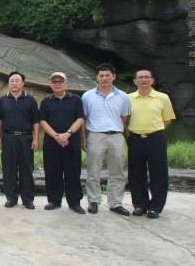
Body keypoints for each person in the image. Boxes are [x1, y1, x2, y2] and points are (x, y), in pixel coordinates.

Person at [80, 63, 131, 216]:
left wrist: (127, 139)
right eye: (101, 75)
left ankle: (115, 203)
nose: (104, 78)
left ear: (114, 77)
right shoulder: (87, 96)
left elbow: (125, 120)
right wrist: (84, 139)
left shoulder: (123, 96)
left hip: (116, 136)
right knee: (93, 171)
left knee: (117, 171)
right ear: (97, 77)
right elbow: (83, 119)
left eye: (107, 75)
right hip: (95, 135)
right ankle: (94, 201)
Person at [127, 69, 176, 219]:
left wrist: (153, 129)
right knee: (136, 173)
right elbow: (125, 119)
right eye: (140, 77)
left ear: (152, 80)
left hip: (155, 138)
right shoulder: (128, 98)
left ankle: (155, 207)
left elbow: (167, 119)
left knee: (159, 173)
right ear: (135, 81)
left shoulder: (162, 97)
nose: (144, 80)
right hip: (135, 139)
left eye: (147, 77)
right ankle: (140, 205)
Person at [39, 72, 86, 214]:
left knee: (73, 171)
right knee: (52, 171)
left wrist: (67, 134)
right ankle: (54, 200)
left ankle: (74, 202)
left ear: (66, 83)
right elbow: (42, 121)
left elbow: (80, 118)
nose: (57, 84)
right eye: (54, 82)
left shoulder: (76, 99)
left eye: (60, 81)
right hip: (52, 142)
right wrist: (56, 136)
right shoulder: (46, 101)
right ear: (50, 84)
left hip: (72, 141)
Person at [0, 72, 40, 210]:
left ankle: (27, 199)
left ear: (22, 83)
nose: (14, 83)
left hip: (26, 138)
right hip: (8, 137)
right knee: (9, 169)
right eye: (11, 81)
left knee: (26, 169)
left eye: (17, 81)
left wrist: (36, 138)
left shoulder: (31, 100)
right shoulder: (3, 100)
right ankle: (11, 198)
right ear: (8, 83)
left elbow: (35, 121)